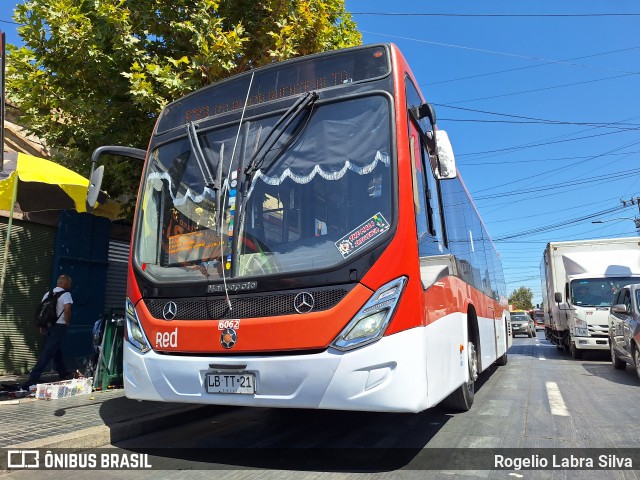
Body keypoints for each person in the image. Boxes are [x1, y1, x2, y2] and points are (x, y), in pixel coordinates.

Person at [22, 274, 74, 389]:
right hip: (60, 326)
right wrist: (67, 322)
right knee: (48, 352)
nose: (70, 285)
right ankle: (33, 377)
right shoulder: (66, 294)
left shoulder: (48, 294)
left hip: (49, 325)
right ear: (64, 283)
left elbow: (42, 311)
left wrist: (42, 326)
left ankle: (62, 372)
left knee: (56, 350)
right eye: (69, 282)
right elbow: (67, 309)